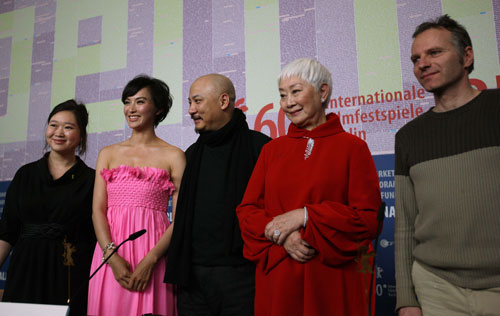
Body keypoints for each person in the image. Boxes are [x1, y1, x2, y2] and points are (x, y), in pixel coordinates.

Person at [236, 58, 382, 316]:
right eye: (282, 95)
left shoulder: (353, 147)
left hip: (331, 281)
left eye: (295, 91)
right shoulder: (271, 151)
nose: (288, 102)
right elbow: (247, 211)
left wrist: (306, 216)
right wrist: (284, 236)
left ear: (323, 92)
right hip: (280, 280)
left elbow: (367, 220)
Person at [395, 15, 500, 316]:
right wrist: (407, 301)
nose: (422, 64)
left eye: (434, 52)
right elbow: (404, 225)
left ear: (467, 56)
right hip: (436, 288)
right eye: (416, 58)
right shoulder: (408, 136)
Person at [164, 74, 271, 316]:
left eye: (197, 101)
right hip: (192, 281)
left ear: (223, 101)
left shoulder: (262, 148)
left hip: (245, 278)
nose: (191, 110)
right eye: (189, 103)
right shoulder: (190, 155)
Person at [87, 75, 185, 316]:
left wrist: (151, 260)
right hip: (111, 253)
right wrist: (110, 256)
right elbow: (97, 210)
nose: (131, 108)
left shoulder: (174, 156)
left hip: (155, 255)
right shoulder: (108, 153)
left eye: (140, 101)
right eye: (127, 101)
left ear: (158, 109)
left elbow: (182, 217)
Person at [0, 100, 95, 315]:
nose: (59, 132)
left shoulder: (92, 179)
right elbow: (7, 231)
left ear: (81, 136)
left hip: (70, 271)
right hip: (25, 269)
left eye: (68, 127)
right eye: (53, 125)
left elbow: (95, 236)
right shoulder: (25, 174)